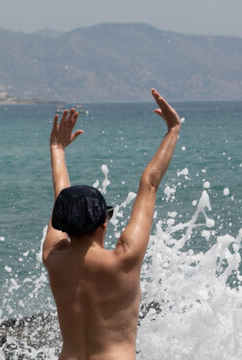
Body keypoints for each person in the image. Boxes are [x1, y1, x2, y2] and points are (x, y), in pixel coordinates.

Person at [42, 89, 181, 360]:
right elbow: (149, 184)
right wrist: (173, 130)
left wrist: (57, 149)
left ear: (64, 224)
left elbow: (62, 197)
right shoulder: (123, 259)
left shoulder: (52, 258)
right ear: (103, 224)